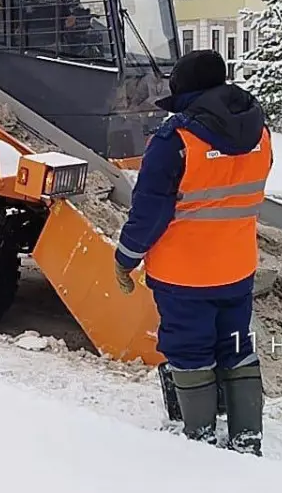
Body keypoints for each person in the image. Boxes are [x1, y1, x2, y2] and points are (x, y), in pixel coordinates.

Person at [111, 49, 271, 456]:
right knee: (235, 347)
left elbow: (149, 211)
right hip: (237, 269)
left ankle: (199, 446)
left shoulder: (175, 140)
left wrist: (125, 258)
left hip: (184, 276)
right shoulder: (259, 132)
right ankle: (247, 439)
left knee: (189, 350)